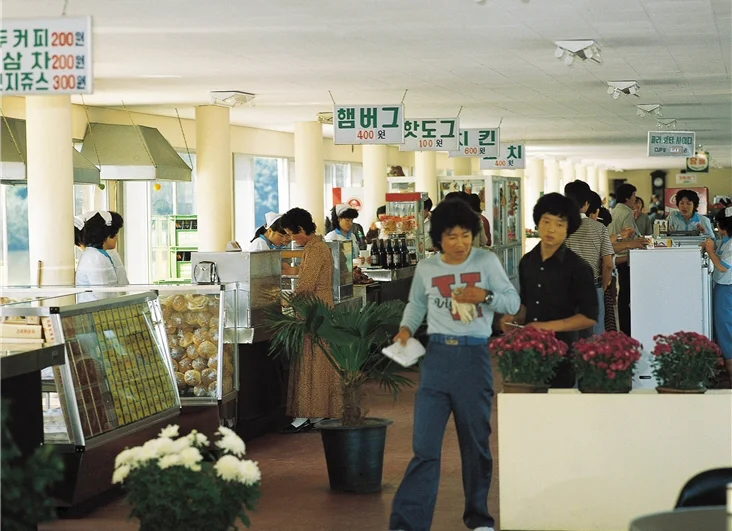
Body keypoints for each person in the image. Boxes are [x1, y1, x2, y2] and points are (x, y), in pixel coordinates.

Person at [389, 199, 520, 531]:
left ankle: (479, 519)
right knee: (425, 447)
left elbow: (512, 301)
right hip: (436, 360)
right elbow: (416, 305)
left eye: (465, 235)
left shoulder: (486, 261)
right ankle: (408, 523)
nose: (460, 243)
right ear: (438, 240)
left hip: (474, 359)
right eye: (451, 236)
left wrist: (485, 297)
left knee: (476, 445)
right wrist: (405, 329)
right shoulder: (427, 269)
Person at [500, 193, 598, 388]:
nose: (551, 229)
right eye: (546, 221)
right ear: (537, 223)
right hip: (529, 353)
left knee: (558, 412)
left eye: (559, 224)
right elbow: (527, 305)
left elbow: (589, 317)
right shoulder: (527, 262)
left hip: (563, 354)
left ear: (568, 229)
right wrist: (514, 319)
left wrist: (548, 327)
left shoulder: (578, 267)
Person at [279, 207, 342, 433]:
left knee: (310, 363)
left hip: (314, 310)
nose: (291, 239)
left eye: (292, 233)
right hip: (319, 308)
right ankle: (318, 413)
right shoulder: (315, 247)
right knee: (319, 362)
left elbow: (306, 285)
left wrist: (286, 302)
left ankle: (306, 414)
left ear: (302, 229)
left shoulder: (315, 250)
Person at [564, 181, 615, 336]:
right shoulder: (599, 228)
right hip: (593, 287)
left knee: (569, 335)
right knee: (596, 335)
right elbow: (608, 265)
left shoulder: (560, 227)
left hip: (565, 289)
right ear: (586, 204)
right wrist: (604, 286)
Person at [609, 183, 648, 336]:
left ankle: (624, 328)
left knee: (623, 294)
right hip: (624, 257)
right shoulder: (627, 212)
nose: (635, 199)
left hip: (615, 255)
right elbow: (631, 234)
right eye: (633, 196)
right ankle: (627, 329)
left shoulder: (615, 210)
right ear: (627, 197)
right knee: (626, 296)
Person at [704, 207, 732, 385]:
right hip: (722, 290)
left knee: (726, 333)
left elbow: (723, 267)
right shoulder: (725, 241)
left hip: (726, 291)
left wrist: (710, 251)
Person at [76, 211, 128, 299]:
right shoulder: (95, 258)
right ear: (106, 235)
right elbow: (102, 296)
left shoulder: (99, 254)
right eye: (115, 233)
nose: (116, 237)